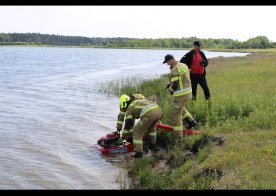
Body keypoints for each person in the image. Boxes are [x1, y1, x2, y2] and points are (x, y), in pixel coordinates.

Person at [163, 54, 197, 137]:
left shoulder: (174, 70)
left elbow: (175, 85)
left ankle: (178, 136)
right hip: (188, 92)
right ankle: (191, 122)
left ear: (170, 60)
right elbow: (181, 79)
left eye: (167, 62)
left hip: (181, 95)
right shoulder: (183, 65)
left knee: (176, 114)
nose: (167, 64)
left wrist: (170, 90)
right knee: (181, 108)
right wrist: (170, 84)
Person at [180, 41, 211, 105]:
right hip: (193, 76)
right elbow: (181, 62)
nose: (200, 47)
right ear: (195, 46)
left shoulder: (201, 53)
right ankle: (193, 104)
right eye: (199, 46)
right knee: (193, 90)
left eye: (200, 46)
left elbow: (206, 62)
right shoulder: (190, 54)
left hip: (201, 75)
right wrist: (187, 68)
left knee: (206, 89)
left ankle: (209, 102)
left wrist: (204, 63)